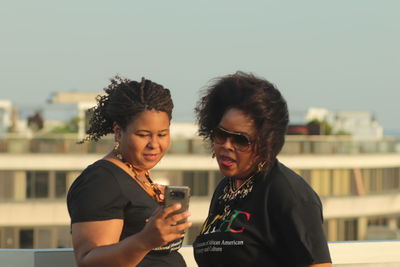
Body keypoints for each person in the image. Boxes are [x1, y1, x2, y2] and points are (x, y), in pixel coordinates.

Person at [193, 72, 332, 267]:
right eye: (220, 134)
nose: (226, 145)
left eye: (240, 139)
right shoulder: (225, 189)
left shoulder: (286, 192)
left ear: (266, 142)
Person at [67, 76, 191, 267]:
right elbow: (88, 261)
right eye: (143, 135)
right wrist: (145, 240)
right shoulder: (100, 180)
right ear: (118, 132)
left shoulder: (137, 174)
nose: (154, 144)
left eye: (162, 134)